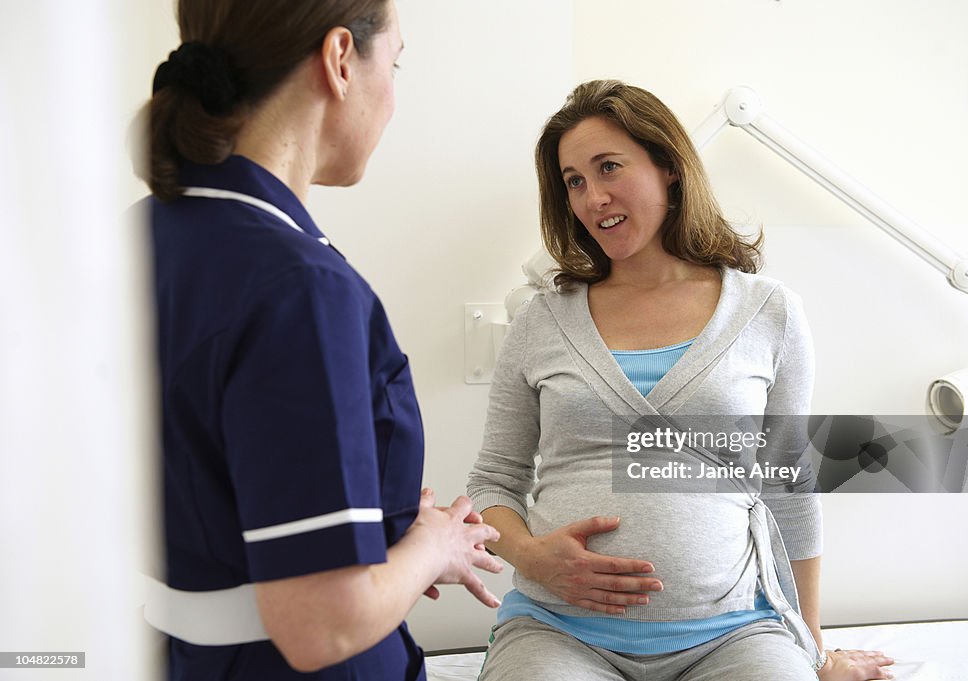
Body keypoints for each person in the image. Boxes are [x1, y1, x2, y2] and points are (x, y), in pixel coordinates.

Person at [467, 80, 894, 681]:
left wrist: (814, 651)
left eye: (609, 167)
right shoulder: (542, 321)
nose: (593, 197)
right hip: (559, 632)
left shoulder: (769, 313)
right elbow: (493, 481)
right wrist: (533, 557)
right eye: (574, 181)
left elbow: (787, 488)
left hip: (734, 633)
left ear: (668, 166)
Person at [135, 1, 503, 679]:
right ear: (339, 60)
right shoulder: (297, 285)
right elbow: (320, 622)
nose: (393, 97)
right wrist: (431, 544)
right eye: (394, 63)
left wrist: (382, 535)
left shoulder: (144, 234)